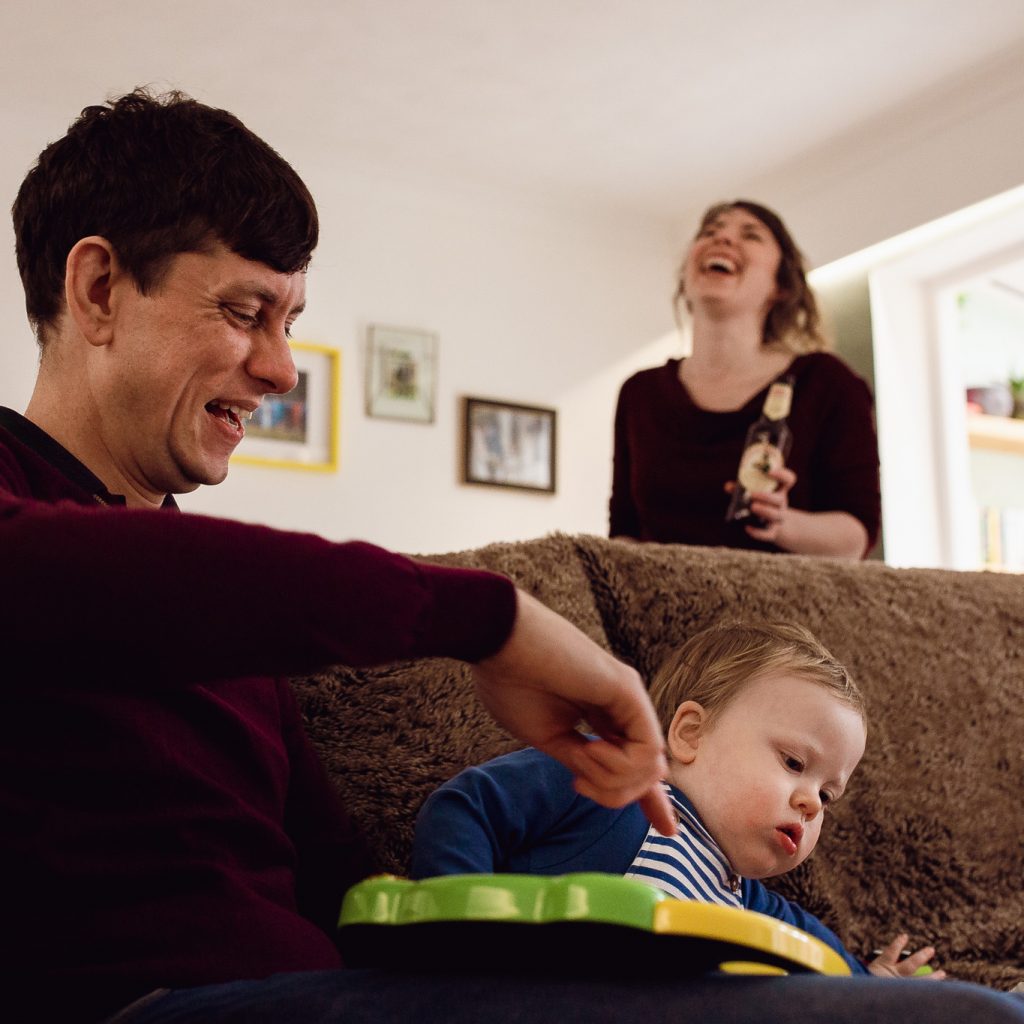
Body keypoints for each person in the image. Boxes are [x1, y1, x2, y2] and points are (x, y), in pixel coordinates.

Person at [4, 89, 1022, 1024]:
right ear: (96, 287)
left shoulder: (224, 601)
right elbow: (86, 575)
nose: (277, 367)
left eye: (290, 321)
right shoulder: (66, 527)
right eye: (242, 312)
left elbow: (345, 877)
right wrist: (494, 616)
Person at [412, 621, 939, 980]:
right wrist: (457, 927)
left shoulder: (746, 902)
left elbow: (826, 969)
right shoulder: (609, 781)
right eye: (794, 765)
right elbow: (467, 807)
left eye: (828, 795)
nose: (812, 804)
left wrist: (878, 985)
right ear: (690, 734)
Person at [609, 200, 882, 559]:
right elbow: (623, 536)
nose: (721, 239)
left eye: (749, 235)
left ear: (781, 285)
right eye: (709, 232)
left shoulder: (827, 383)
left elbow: (855, 539)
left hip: (783, 612)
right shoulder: (641, 394)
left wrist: (783, 523)